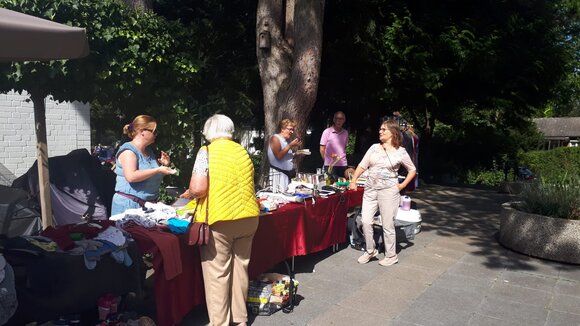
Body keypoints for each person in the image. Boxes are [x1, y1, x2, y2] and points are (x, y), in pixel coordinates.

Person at [186, 114, 260, 326]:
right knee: (240, 269)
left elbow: (198, 188)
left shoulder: (206, 151)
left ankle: (219, 323)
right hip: (248, 217)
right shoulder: (242, 151)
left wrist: (190, 192)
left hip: (220, 219)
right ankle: (240, 319)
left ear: (209, 132)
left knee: (217, 274)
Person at [348, 119, 416, 266]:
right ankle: (370, 250)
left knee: (387, 224)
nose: (380, 131)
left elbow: (412, 170)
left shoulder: (401, 152)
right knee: (366, 221)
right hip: (370, 190)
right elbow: (362, 165)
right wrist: (353, 180)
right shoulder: (373, 148)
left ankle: (391, 256)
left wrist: (401, 185)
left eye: (384, 129)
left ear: (393, 133)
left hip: (389, 192)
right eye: (380, 129)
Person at [111, 115, 174, 215]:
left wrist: (163, 165)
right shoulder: (128, 151)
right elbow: (131, 176)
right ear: (142, 132)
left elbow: (149, 176)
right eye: (154, 131)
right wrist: (158, 170)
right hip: (129, 207)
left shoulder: (149, 151)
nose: (156, 134)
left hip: (147, 207)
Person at [267, 118, 303, 193]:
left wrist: (296, 154)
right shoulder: (275, 138)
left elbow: (285, 157)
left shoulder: (286, 141)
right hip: (278, 174)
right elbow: (279, 156)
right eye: (290, 129)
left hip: (287, 174)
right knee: (279, 198)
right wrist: (290, 145)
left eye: (292, 130)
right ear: (282, 129)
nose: (291, 132)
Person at [320, 111, 348, 179]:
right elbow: (322, 149)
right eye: (337, 118)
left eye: (341, 119)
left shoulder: (345, 133)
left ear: (344, 120)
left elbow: (344, 148)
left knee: (342, 186)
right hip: (330, 165)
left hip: (342, 164)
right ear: (334, 120)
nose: (339, 120)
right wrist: (326, 161)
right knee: (330, 186)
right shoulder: (327, 132)